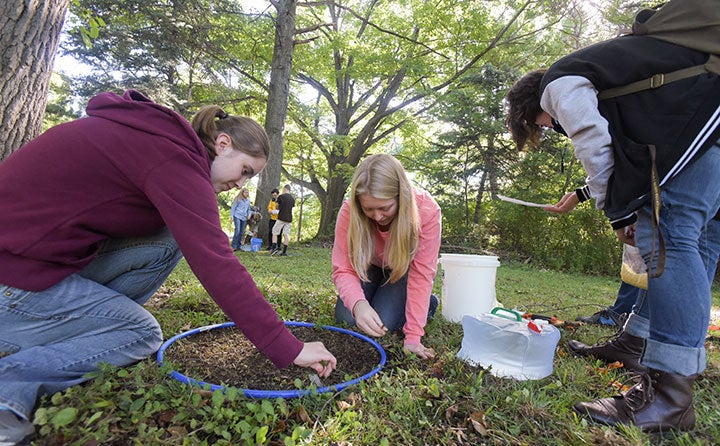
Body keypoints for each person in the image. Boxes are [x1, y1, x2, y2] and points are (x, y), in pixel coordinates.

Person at [0, 90, 337, 444]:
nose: (241, 184)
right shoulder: (173, 158)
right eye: (245, 171)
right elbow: (215, 261)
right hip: (12, 276)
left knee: (168, 237)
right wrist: (288, 346)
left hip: (35, 261)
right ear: (223, 144)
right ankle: (10, 384)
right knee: (141, 333)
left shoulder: (158, 140)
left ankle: (82, 326)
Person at [505, 31, 720, 432]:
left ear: (536, 104)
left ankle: (669, 398)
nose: (556, 129)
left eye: (546, 126)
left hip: (704, 126)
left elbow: (593, 141)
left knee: (670, 238)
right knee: (700, 241)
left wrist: (617, 211)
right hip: (710, 127)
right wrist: (590, 195)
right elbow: (630, 146)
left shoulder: (559, 83)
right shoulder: (615, 76)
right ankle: (636, 343)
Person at [332, 154, 442, 360]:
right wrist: (359, 305)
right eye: (369, 209)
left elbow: (421, 276)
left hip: (403, 271)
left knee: (383, 323)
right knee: (347, 318)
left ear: (402, 197)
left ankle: (429, 304)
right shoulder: (349, 211)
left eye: (385, 208)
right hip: (370, 267)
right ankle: (375, 296)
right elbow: (344, 268)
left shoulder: (427, 210)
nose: (377, 216)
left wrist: (413, 337)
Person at [270, 184, 295, 256]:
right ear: (289, 190)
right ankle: (284, 251)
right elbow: (291, 207)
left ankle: (274, 248)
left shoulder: (281, 197)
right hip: (289, 218)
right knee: (286, 234)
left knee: (275, 232)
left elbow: (277, 207)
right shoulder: (292, 199)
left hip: (281, 218)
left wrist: (279, 205)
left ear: (284, 189)